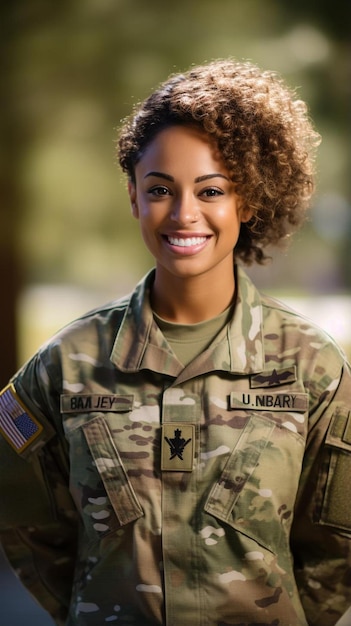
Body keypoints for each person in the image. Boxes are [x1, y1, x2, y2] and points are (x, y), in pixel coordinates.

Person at [0, 59, 350, 626]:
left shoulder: (312, 367)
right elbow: (27, 521)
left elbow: (337, 542)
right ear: (135, 197)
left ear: (250, 201)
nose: (184, 213)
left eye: (211, 190)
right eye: (160, 189)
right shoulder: (65, 365)